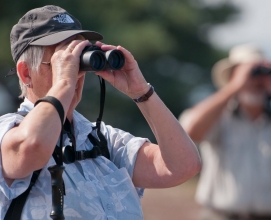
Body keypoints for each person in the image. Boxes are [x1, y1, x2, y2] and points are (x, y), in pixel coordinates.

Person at [0, 5, 201, 220]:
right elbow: (33, 146)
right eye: (63, 62)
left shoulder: (101, 140)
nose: (75, 73)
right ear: (26, 73)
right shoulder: (8, 131)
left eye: (79, 63)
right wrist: (64, 81)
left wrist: (142, 92)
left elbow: (183, 166)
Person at [179, 44, 271, 220]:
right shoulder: (218, 118)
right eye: (249, 74)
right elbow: (189, 132)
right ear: (232, 78)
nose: (256, 82)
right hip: (220, 215)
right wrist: (233, 87)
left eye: (261, 75)